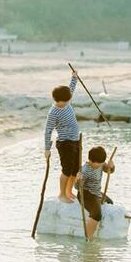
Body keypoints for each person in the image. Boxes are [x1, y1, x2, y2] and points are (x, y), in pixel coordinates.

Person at [44, 69, 81, 203]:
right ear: (56, 100)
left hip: (75, 141)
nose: (65, 104)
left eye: (67, 101)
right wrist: (47, 148)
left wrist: (74, 77)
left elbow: (71, 89)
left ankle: (68, 191)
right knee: (66, 169)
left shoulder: (67, 102)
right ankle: (61, 194)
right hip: (65, 143)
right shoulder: (53, 112)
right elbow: (48, 130)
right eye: (63, 102)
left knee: (75, 169)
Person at [75, 145, 115, 240]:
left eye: (102, 163)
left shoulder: (100, 163)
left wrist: (111, 167)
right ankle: (88, 237)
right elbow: (77, 187)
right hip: (86, 194)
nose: (101, 165)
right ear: (91, 161)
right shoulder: (85, 171)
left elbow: (109, 171)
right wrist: (78, 180)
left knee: (110, 202)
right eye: (99, 164)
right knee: (97, 214)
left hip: (97, 192)